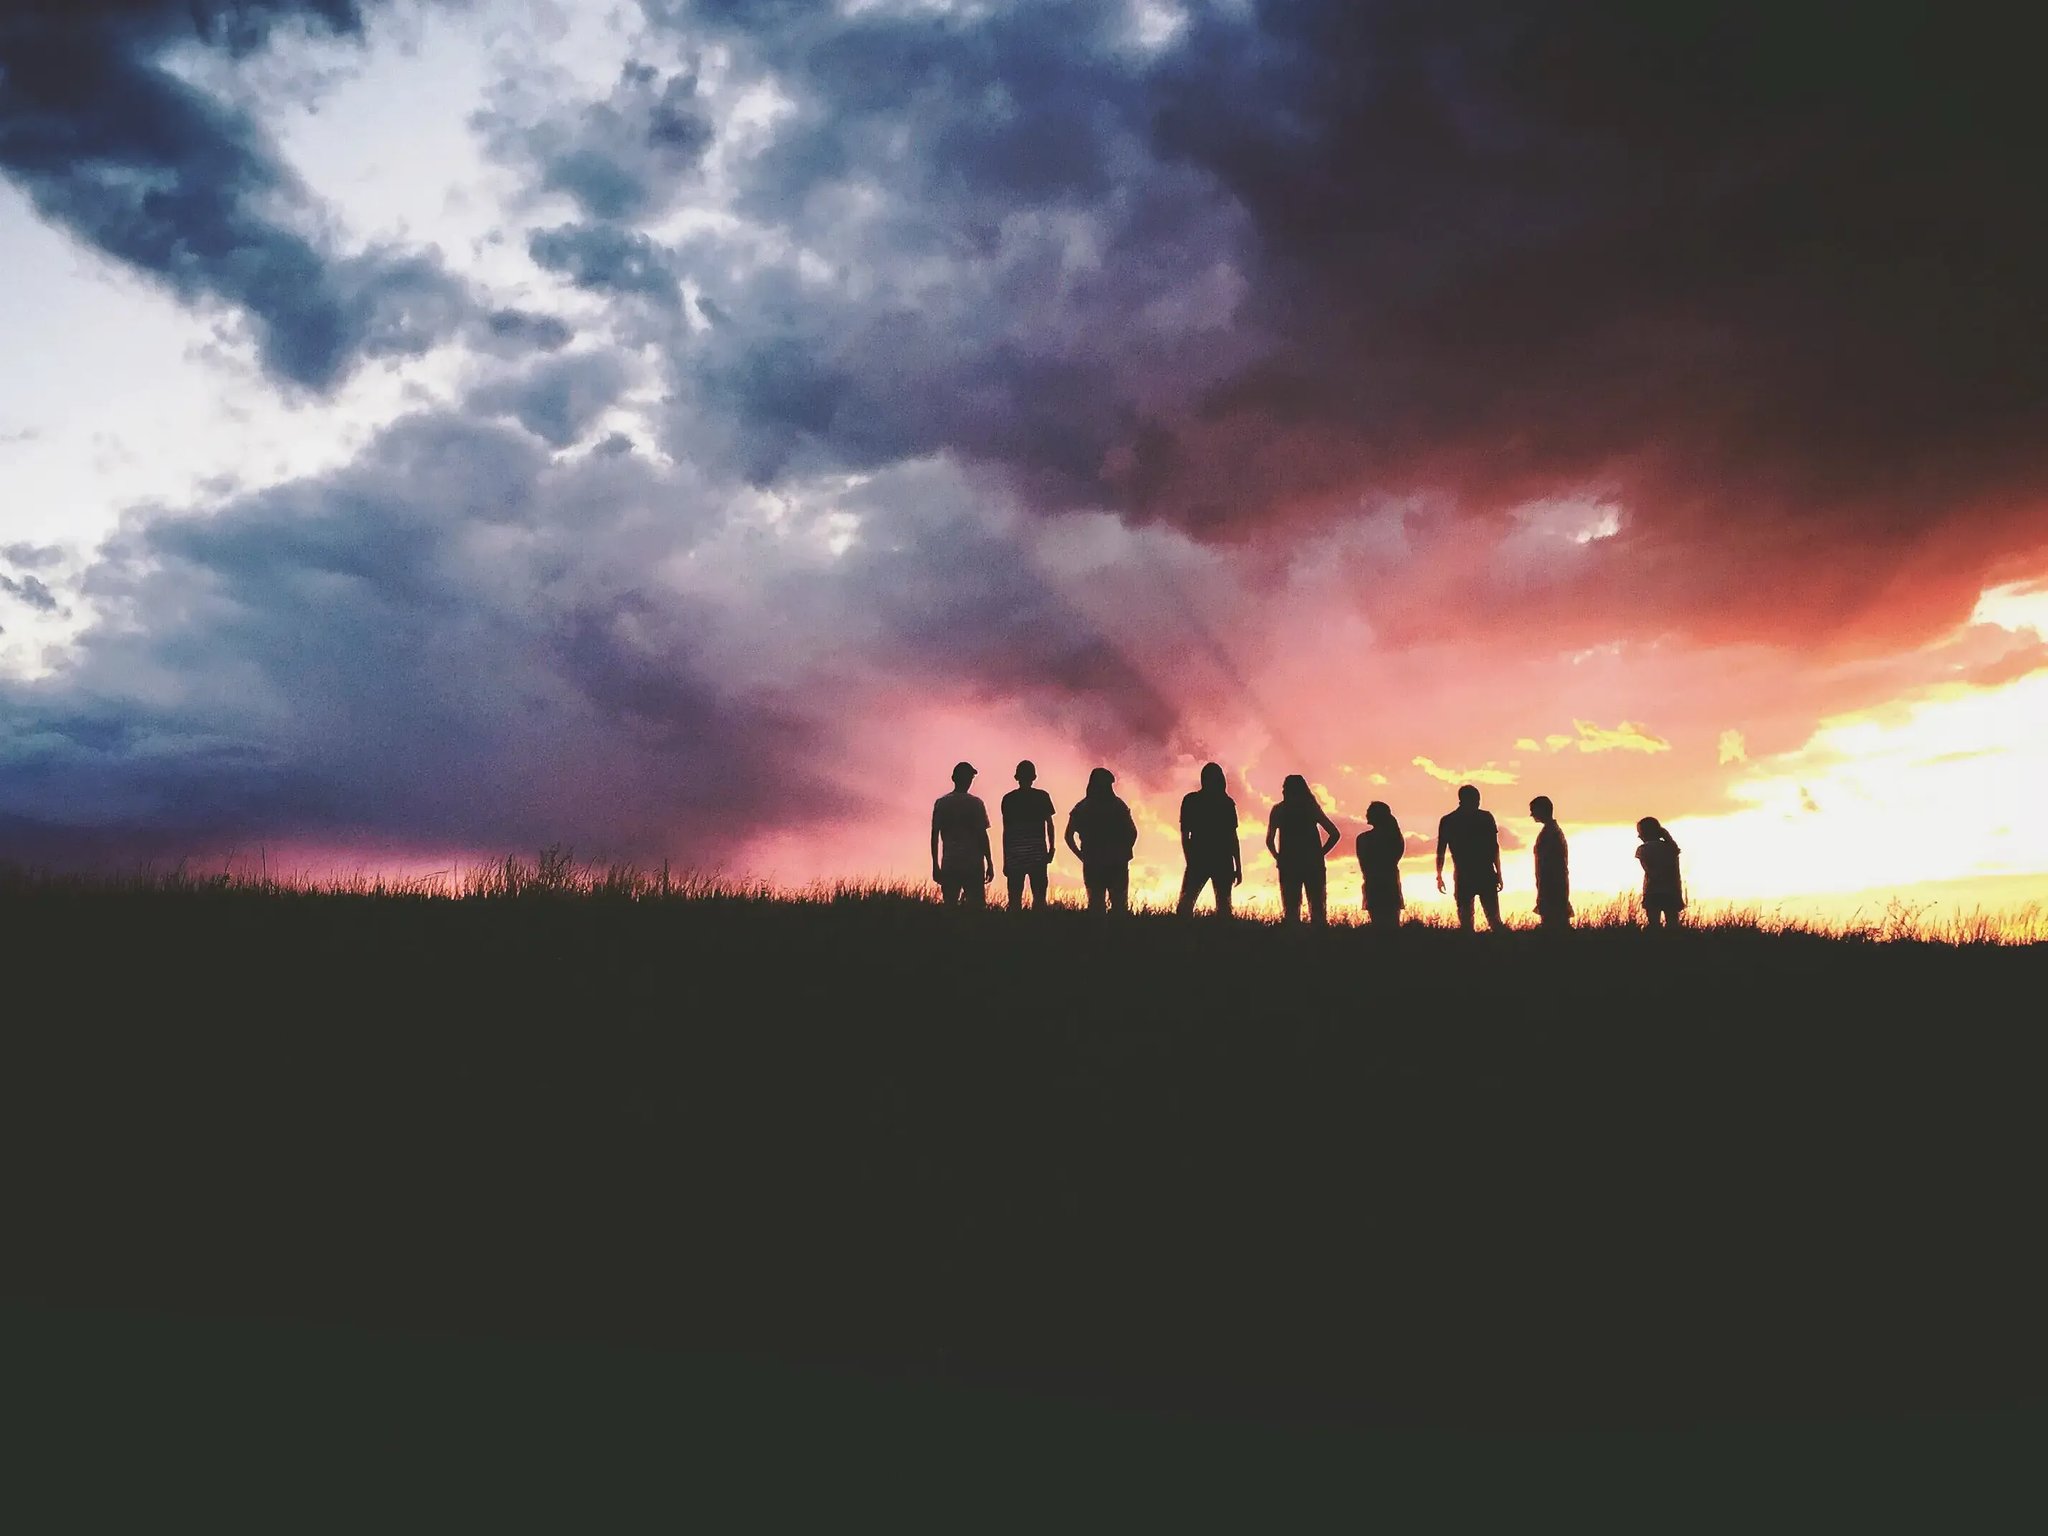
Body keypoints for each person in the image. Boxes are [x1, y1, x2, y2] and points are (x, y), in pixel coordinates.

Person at [1266, 774, 1340, 925]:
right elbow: (1334, 833)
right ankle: (1319, 936)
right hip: (1312, 864)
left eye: (1285, 788)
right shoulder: (1311, 808)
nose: (1283, 791)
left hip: (1289, 864)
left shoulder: (1279, 810)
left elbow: (1269, 840)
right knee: (1317, 908)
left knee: (1291, 910)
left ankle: (1293, 936)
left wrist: (1278, 857)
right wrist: (1320, 854)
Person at [1064, 767, 1138, 914]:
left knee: (1096, 906)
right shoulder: (1119, 806)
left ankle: (1097, 928)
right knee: (1119, 906)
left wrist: (1081, 856)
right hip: (1117, 863)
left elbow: (1068, 836)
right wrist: (1124, 852)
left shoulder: (1082, 808)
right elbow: (1133, 833)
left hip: (1093, 862)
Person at [1176, 761, 1242, 916]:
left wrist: (1190, 860)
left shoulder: (1192, 801)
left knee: (1187, 904)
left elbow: (1185, 835)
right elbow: (1233, 838)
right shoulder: (1225, 803)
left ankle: (1182, 929)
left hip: (1205, 858)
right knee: (1222, 907)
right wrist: (1238, 867)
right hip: (1217, 859)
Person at [1435, 784, 1504, 931]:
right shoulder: (1485, 817)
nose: (1478, 802)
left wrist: (1439, 875)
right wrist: (1498, 873)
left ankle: (1472, 943)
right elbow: (1494, 847)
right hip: (1480, 873)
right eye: (1476, 799)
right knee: (1491, 919)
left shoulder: (1449, 820)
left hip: (1468, 874)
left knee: (1471, 921)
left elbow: (1441, 850)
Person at [930, 761, 992, 908]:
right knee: (976, 908)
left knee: (950, 906)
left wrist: (935, 865)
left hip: (951, 863)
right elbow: (982, 836)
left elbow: (934, 836)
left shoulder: (942, 803)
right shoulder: (976, 804)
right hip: (973, 864)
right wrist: (989, 862)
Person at [1000, 760, 1056, 911]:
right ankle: (1037, 924)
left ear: (1017, 777)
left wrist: (1006, 859)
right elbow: (1049, 824)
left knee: (1014, 900)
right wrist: (1051, 848)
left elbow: (1006, 831)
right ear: (1034, 777)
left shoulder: (1008, 799)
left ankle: (1015, 924)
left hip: (1015, 855)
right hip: (1037, 854)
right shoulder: (1042, 797)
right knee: (1039, 898)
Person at [1354, 800, 1406, 928]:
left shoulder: (1363, 839)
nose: (1366, 814)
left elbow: (1363, 864)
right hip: (1389, 881)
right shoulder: (1395, 837)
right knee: (1392, 924)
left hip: (1374, 882)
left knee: (1378, 923)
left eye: (1369, 812)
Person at [1530, 795, 1572, 931]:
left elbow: (1548, 864)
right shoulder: (1553, 831)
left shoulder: (1550, 833)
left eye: (1533, 810)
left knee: (1553, 922)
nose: (1531, 815)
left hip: (1552, 884)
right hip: (1552, 883)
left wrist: (1544, 884)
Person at [1636, 817, 1685, 929]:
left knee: (1654, 925)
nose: (1639, 836)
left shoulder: (1643, 849)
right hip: (1672, 890)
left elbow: (1648, 869)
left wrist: (1656, 877)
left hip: (1652, 890)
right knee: (1673, 925)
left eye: (1640, 832)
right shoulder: (1671, 848)